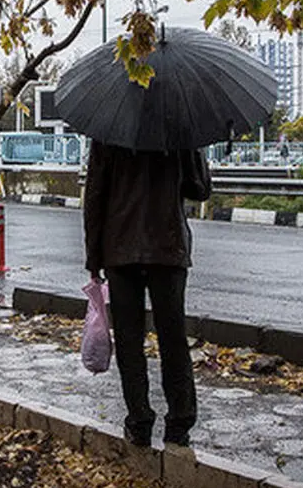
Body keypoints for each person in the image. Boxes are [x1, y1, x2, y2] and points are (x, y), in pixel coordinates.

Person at [82, 140, 211, 449]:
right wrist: (193, 149)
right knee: (173, 337)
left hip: (120, 248)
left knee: (129, 340)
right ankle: (179, 423)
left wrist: (94, 258)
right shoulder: (178, 128)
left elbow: (96, 197)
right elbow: (200, 189)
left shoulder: (109, 133)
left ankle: (139, 421)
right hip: (168, 248)